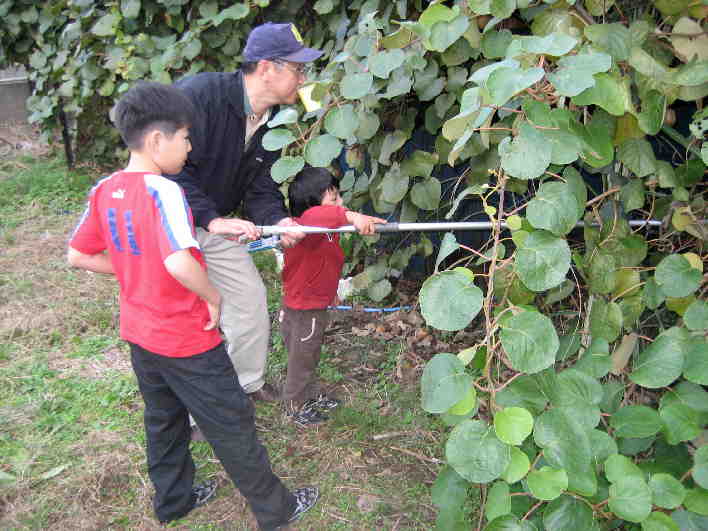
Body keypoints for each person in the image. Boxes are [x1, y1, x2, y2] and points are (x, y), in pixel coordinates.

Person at [67, 81, 318, 529]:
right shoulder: (166, 192)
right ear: (158, 140)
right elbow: (180, 261)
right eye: (185, 138)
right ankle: (276, 511)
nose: (189, 148)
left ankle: (174, 501)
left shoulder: (105, 188)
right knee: (231, 420)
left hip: (140, 337)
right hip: (187, 337)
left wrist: (134, 270)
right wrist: (213, 295)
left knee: (163, 421)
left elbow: (79, 254)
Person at [169, 22, 322, 410]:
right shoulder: (198, 96)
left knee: (249, 299)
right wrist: (212, 218)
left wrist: (279, 220)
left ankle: (246, 383)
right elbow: (167, 170)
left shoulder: (273, 121)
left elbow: (261, 188)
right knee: (187, 320)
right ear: (268, 68)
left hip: (211, 224)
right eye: (297, 69)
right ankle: (191, 412)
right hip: (166, 226)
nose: (303, 79)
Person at [280, 167, 386, 426]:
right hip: (304, 309)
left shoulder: (326, 232)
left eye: (340, 197)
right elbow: (319, 215)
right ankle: (294, 404)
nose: (341, 203)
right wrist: (351, 215)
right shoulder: (306, 226)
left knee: (309, 354)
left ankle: (310, 393)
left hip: (314, 303)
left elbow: (325, 266)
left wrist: (331, 294)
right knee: (302, 358)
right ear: (312, 204)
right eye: (334, 198)